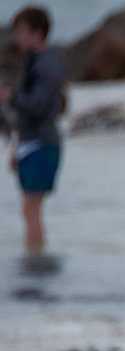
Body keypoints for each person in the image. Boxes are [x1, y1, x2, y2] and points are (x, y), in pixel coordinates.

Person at [0, 6, 63, 255]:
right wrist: (18, 146)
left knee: (30, 207)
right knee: (28, 207)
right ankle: (34, 258)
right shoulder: (34, 60)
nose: (17, 38)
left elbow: (38, 105)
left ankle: (36, 262)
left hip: (43, 142)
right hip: (30, 142)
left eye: (22, 32)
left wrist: (10, 97)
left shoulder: (48, 64)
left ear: (38, 33)